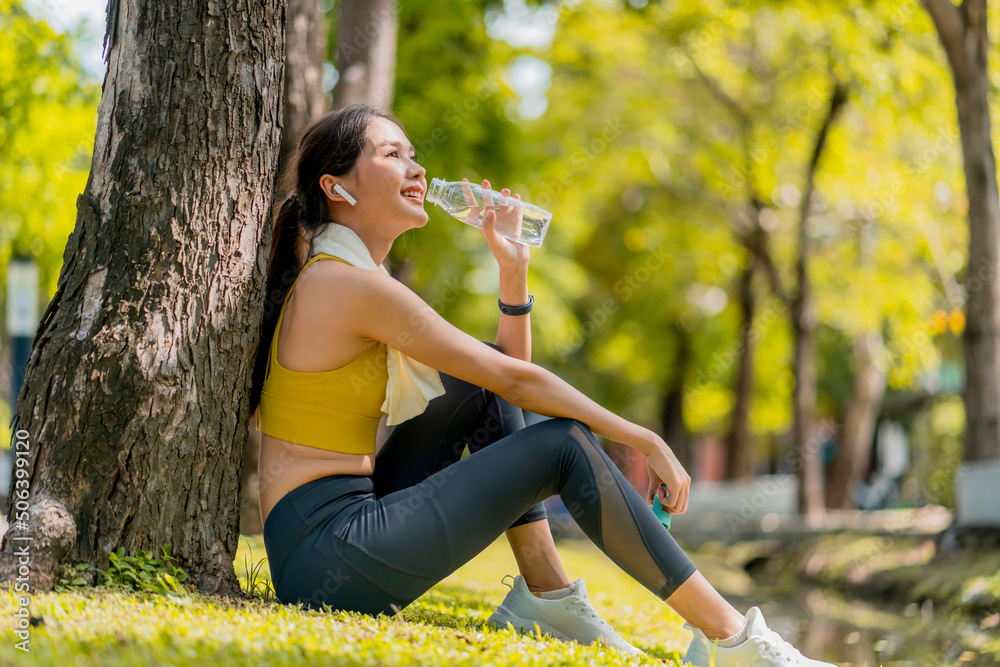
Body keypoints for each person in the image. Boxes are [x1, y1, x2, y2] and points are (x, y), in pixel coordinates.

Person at [248, 104, 835, 667]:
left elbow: (499, 382)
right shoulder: (347, 286)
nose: (418, 169)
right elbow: (516, 380)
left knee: (475, 381)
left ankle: (546, 598)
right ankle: (732, 640)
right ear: (337, 187)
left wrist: (513, 272)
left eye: (414, 154)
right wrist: (641, 438)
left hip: (344, 521)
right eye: (392, 154)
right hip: (327, 552)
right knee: (560, 444)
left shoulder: (348, 275)